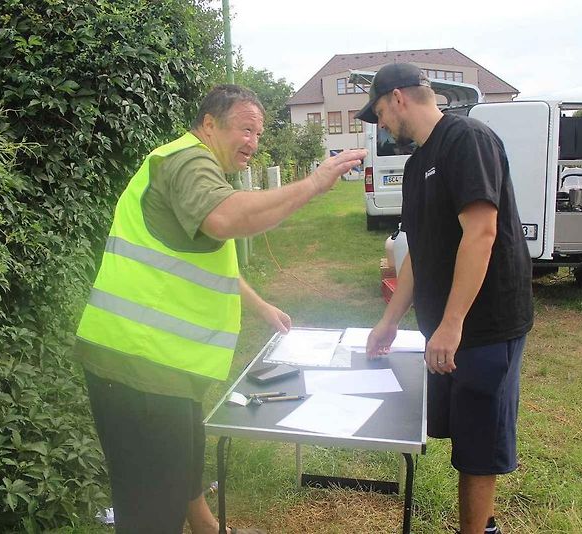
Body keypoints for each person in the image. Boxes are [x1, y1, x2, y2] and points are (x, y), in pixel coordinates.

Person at [74, 84, 366, 534]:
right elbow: (225, 218)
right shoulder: (188, 161)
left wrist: (259, 305)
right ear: (209, 124)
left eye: (258, 133)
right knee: (152, 510)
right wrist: (312, 184)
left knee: (186, 459)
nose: (253, 142)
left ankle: (207, 528)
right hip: (139, 363)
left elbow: (204, 257)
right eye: (245, 130)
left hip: (162, 363)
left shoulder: (193, 164)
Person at [358, 64, 533, 534]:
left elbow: (481, 232)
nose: (381, 125)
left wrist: (452, 323)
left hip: (485, 325)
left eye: (379, 113)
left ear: (398, 98)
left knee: (479, 446)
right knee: (465, 435)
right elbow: (419, 252)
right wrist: (390, 320)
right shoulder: (416, 165)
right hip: (448, 331)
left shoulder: (467, 140)